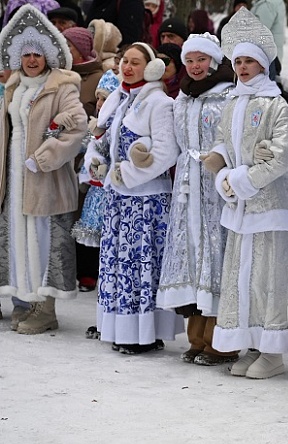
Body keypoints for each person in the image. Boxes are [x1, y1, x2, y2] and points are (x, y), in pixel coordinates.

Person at [203, 7, 288, 379]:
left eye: (249, 61)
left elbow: (282, 156)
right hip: (241, 208)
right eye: (238, 61)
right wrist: (222, 174)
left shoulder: (276, 104)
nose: (242, 67)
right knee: (242, 277)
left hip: (271, 207)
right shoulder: (233, 102)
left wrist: (242, 179)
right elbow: (223, 143)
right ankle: (251, 343)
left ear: (263, 64)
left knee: (268, 277)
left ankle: (273, 351)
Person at [85, 41, 183, 354]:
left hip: (146, 202)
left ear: (150, 67)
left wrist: (126, 174)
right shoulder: (118, 97)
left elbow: (167, 152)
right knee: (119, 266)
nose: (127, 67)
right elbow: (100, 139)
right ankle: (120, 328)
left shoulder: (160, 103)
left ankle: (146, 333)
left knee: (141, 266)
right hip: (118, 200)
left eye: (135, 62)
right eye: (124, 61)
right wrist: (96, 163)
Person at [0, 5, 87, 334]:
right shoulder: (14, 87)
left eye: (37, 54)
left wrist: (44, 157)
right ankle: (26, 302)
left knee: (44, 241)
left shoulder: (61, 86)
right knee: (18, 239)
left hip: (46, 179)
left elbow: (77, 127)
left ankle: (46, 309)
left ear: (48, 56)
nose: (32, 60)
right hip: (15, 177)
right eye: (27, 54)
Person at [157, 33, 238, 366]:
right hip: (187, 186)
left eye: (201, 60)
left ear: (214, 61)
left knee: (215, 256)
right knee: (191, 256)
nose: (195, 66)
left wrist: (221, 160)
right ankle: (196, 337)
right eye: (189, 61)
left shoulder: (228, 95)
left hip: (215, 185)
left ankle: (221, 341)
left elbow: (234, 138)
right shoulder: (183, 97)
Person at [73, 70, 119, 303]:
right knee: (91, 233)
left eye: (105, 99)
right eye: (98, 98)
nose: (100, 103)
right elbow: (83, 146)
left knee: (108, 237)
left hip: (112, 190)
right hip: (95, 190)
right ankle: (89, 275)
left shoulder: (117, 125)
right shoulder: (96, 124)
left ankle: (105, 278)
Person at [63, 27, 103, 116]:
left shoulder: (99, 78)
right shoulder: (57, 72)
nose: (62, 49)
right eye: (61, 44)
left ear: (81, 50)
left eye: (68, 45)